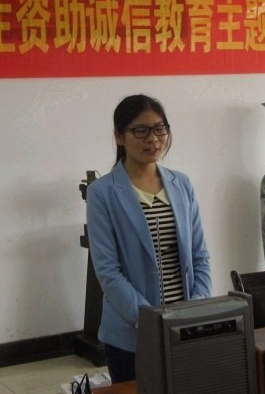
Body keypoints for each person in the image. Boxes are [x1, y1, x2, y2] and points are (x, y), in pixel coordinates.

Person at [86, 94, 211, 383]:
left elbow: (200, 256)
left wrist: (196, 308)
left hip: (185, 326)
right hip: (131, 333)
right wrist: (149, 321)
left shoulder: (182, 184)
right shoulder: (102, 192)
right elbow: (107, 271)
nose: (153, 139)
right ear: (119, 136)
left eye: (159, 129)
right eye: (140, 130)